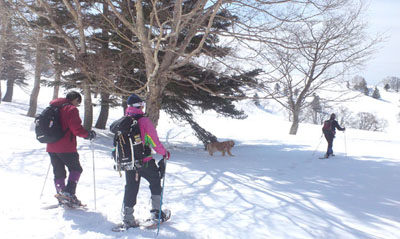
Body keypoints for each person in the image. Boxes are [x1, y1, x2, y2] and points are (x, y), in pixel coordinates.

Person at [121, 93, 170, 227]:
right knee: (155, 182)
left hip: (129, 162)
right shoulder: (144, 121)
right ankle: (156, 213)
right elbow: (154, 141)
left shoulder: (125, 120)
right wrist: (164, 153)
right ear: (141, 105)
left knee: (131, 188)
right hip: (145, 160)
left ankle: (128, 218)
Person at [46, 91, 96, 207]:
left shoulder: (53, 107)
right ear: (76, 99)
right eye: (78, 103)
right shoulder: (71, 109)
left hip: (51, 145)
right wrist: (87, 134)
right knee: (76, 169)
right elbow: (76, 128)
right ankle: (68, 194)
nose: (77, 105)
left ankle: (61, 194)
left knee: (58, 171)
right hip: (66, 146)